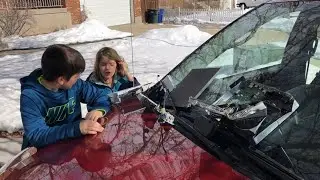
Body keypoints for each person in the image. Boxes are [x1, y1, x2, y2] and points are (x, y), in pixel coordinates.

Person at [20, 44, 111, 150]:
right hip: (42, 155)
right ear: (61, 80)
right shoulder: (31, 97)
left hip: (71, 147)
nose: (78, 79)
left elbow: (101, 94)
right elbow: (37, 135)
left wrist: (98, 109)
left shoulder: (75, 85)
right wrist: (76, 128)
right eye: (76, 76)